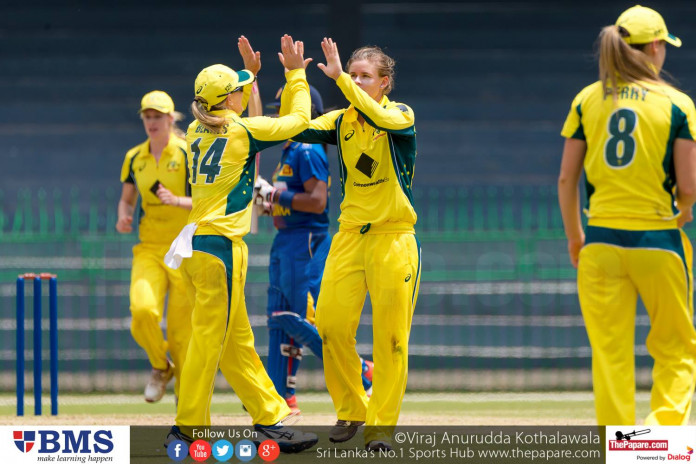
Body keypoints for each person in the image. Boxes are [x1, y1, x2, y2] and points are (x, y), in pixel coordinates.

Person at [163, 35, 317, 453]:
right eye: (237, 91)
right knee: (210, 340)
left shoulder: (196, 128)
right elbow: (299, 119)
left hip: (198, 245)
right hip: (221, 248)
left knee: (235, 343)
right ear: (228, 100)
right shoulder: (241, 132)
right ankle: (189, 425)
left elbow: (224, 102)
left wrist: (249, 77)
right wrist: (296, 73)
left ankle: (270, 418)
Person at [558, 5, 696, 425]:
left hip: (599, 243)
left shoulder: (587, 99)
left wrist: (575, 238)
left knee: (610, 355)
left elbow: (566, 180)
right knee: (676, 349)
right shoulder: (677, 104)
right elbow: (688, 187)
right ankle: (662, 438)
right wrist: (685, 209)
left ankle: (615, 447)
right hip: (658, 240)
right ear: (655, 47)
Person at [288, 39, 420, 450]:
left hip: (393, 238)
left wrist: (339, 78)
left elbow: (379, 116)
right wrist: (295, 75)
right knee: (329, 326)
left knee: (393, 339)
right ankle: (351, 407)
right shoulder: (340, 121)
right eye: (354, 75)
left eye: (366, 77)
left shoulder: (399, 114)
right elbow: (297, 126)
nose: (359, 82)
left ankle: (381, 428)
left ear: (385, 83)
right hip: (350, 237)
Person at [254, 85, 374, 415]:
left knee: (298, 317)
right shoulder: (290, 149)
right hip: (285, 239)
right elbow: (289, 199)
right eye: (277, 109)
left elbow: (318, 201)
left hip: (305, 241)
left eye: (283, 108)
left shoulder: (307, 149)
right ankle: (281, 396)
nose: (277, 115)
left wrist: (275, 197)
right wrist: (267, 201)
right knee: (278, 319)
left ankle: (361, 372)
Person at [116, 90, 193, 404]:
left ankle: (187, 400)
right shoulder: (135, 156)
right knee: (143, 311)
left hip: (185, 249)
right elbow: (127, 198)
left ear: (170, 119)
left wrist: (177, 201)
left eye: (158, 116)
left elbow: (206, 201)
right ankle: (161, 367)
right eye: (147, 116)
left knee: (180, 333)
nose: (151, 122)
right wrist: (123, 216)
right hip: (150, 247)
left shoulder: (188, 152)